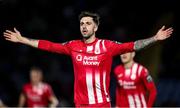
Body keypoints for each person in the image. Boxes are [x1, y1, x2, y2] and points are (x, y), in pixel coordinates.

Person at [3, 11, 173, 107]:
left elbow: (133, 45)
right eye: (82, 23)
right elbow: (49, 45)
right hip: (80, 105)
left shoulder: (108, 46)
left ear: (96, 27)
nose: (84, 26)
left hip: (101, 104)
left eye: (88, 23)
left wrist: (155, 38)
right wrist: (23, 39)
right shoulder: (73, 45)